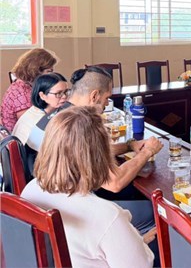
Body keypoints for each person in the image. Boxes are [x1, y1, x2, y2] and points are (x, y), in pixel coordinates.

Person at [21, 106, 155, 267]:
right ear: (102, 156)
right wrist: (140, 245)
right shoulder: (108, 216)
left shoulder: (30, 189)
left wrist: (134, 242)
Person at [1, 48, 57, 132]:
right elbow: (30, 126)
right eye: (48, 71)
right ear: (35, 70)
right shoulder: (21, 93)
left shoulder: (21, 85)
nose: (51, 75)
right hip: (20, 138)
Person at [12, 73, 68, 144]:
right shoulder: (38, 121)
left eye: (66, 92)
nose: (64, 96)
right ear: (42, 95)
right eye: (59, 93)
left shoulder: (39, 111)